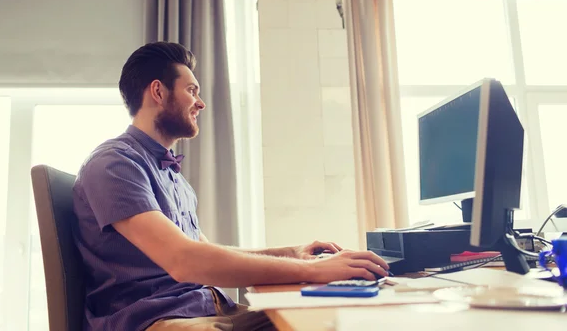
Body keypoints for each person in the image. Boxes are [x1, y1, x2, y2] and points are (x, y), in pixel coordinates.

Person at [72, 41, 390, 331]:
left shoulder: (171, 175)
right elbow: (185, 261)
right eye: (192, 91)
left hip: (210, 311)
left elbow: (205, 252)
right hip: (158, 321)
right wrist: (314, 271)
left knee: (338, 318)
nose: (201, 103)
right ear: (158, 92)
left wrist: (290, 254)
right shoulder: (114, 164)